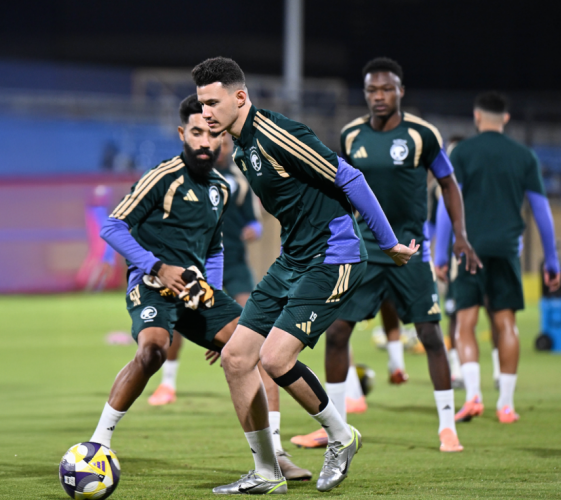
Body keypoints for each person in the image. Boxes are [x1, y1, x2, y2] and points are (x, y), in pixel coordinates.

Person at [194, 56, 417, 494]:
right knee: (237, 357)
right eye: (201, 104)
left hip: (334, 257)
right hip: (293, 261)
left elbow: (349, 177)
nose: (205, 113)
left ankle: (341, 437)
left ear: (240, 97)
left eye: (213, 103)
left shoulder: (277, 134)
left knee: (275, 359)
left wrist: (388, 242)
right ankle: (266, 471)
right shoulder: (241, 149)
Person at [85, 94, 309, 486]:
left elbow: (215, 248)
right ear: (182, 134)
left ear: (222, 137)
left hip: (197, 294)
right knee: (153, 352)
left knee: (255, 348)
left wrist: (214, 304)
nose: (205, 142)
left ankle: (273, 455)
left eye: (212, 134)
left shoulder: (221, 188)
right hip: (152, 287)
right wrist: (156, 266)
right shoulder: (162, 177)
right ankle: (98, 444)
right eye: (196, 133)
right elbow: (112, 226)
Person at [295, 57, 480, 454]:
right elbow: (339, 188)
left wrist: (460, 236)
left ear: (401, 91)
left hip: (410, 251)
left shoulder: (422, 134)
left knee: (430, 334)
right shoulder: (351, 135)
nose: (379, 96)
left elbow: (449, 184)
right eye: (372, 90)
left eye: (387, 89)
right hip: (363, 249)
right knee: (337, 332)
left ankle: (448, 427)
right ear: (365, 94)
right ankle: (334, 428)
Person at [146, 134, 311, 481]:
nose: (212, 146)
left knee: (257, 341)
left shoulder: (238, 181)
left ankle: (276, 452)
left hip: (232, 263)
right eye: (204, 136)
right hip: (189, 270)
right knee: (174, 330)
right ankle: (168, 383)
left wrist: (253, 229)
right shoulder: (174, 180)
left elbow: (254, 219)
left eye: (219, 139)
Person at [435, 91, 560, 424]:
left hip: (469, 250)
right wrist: (551, 261)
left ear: (477, 117)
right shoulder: (524, 156)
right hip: (506, 250)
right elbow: (541, 211)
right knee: (506, 324)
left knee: (465, 323)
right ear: (505, 118)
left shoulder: (462, 152)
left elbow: (447, 205)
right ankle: (505, 404)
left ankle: (473, 396)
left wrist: (441, 253)